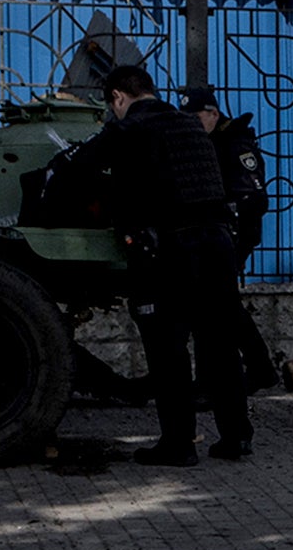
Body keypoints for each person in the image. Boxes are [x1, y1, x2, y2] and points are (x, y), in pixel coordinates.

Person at [88, 65, 251, 465]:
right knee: (220, 344)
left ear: (118, 98)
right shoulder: (189, 125)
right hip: (217, 241)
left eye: (113, 106)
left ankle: (178, 444)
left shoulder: (131, 127)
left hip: (174, 248)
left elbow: (86, 162)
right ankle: (236, 438)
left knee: (167, 346)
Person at [179, 84, 279, 393]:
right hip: (214, 236)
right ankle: (257, 370)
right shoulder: (208, 143)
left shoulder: (234, 145)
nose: (191, 125)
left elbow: (253, 198)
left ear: (213, 114)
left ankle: (230, 377)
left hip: (233, 235)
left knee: (216, 307)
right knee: (220, 306)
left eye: (195, 118)